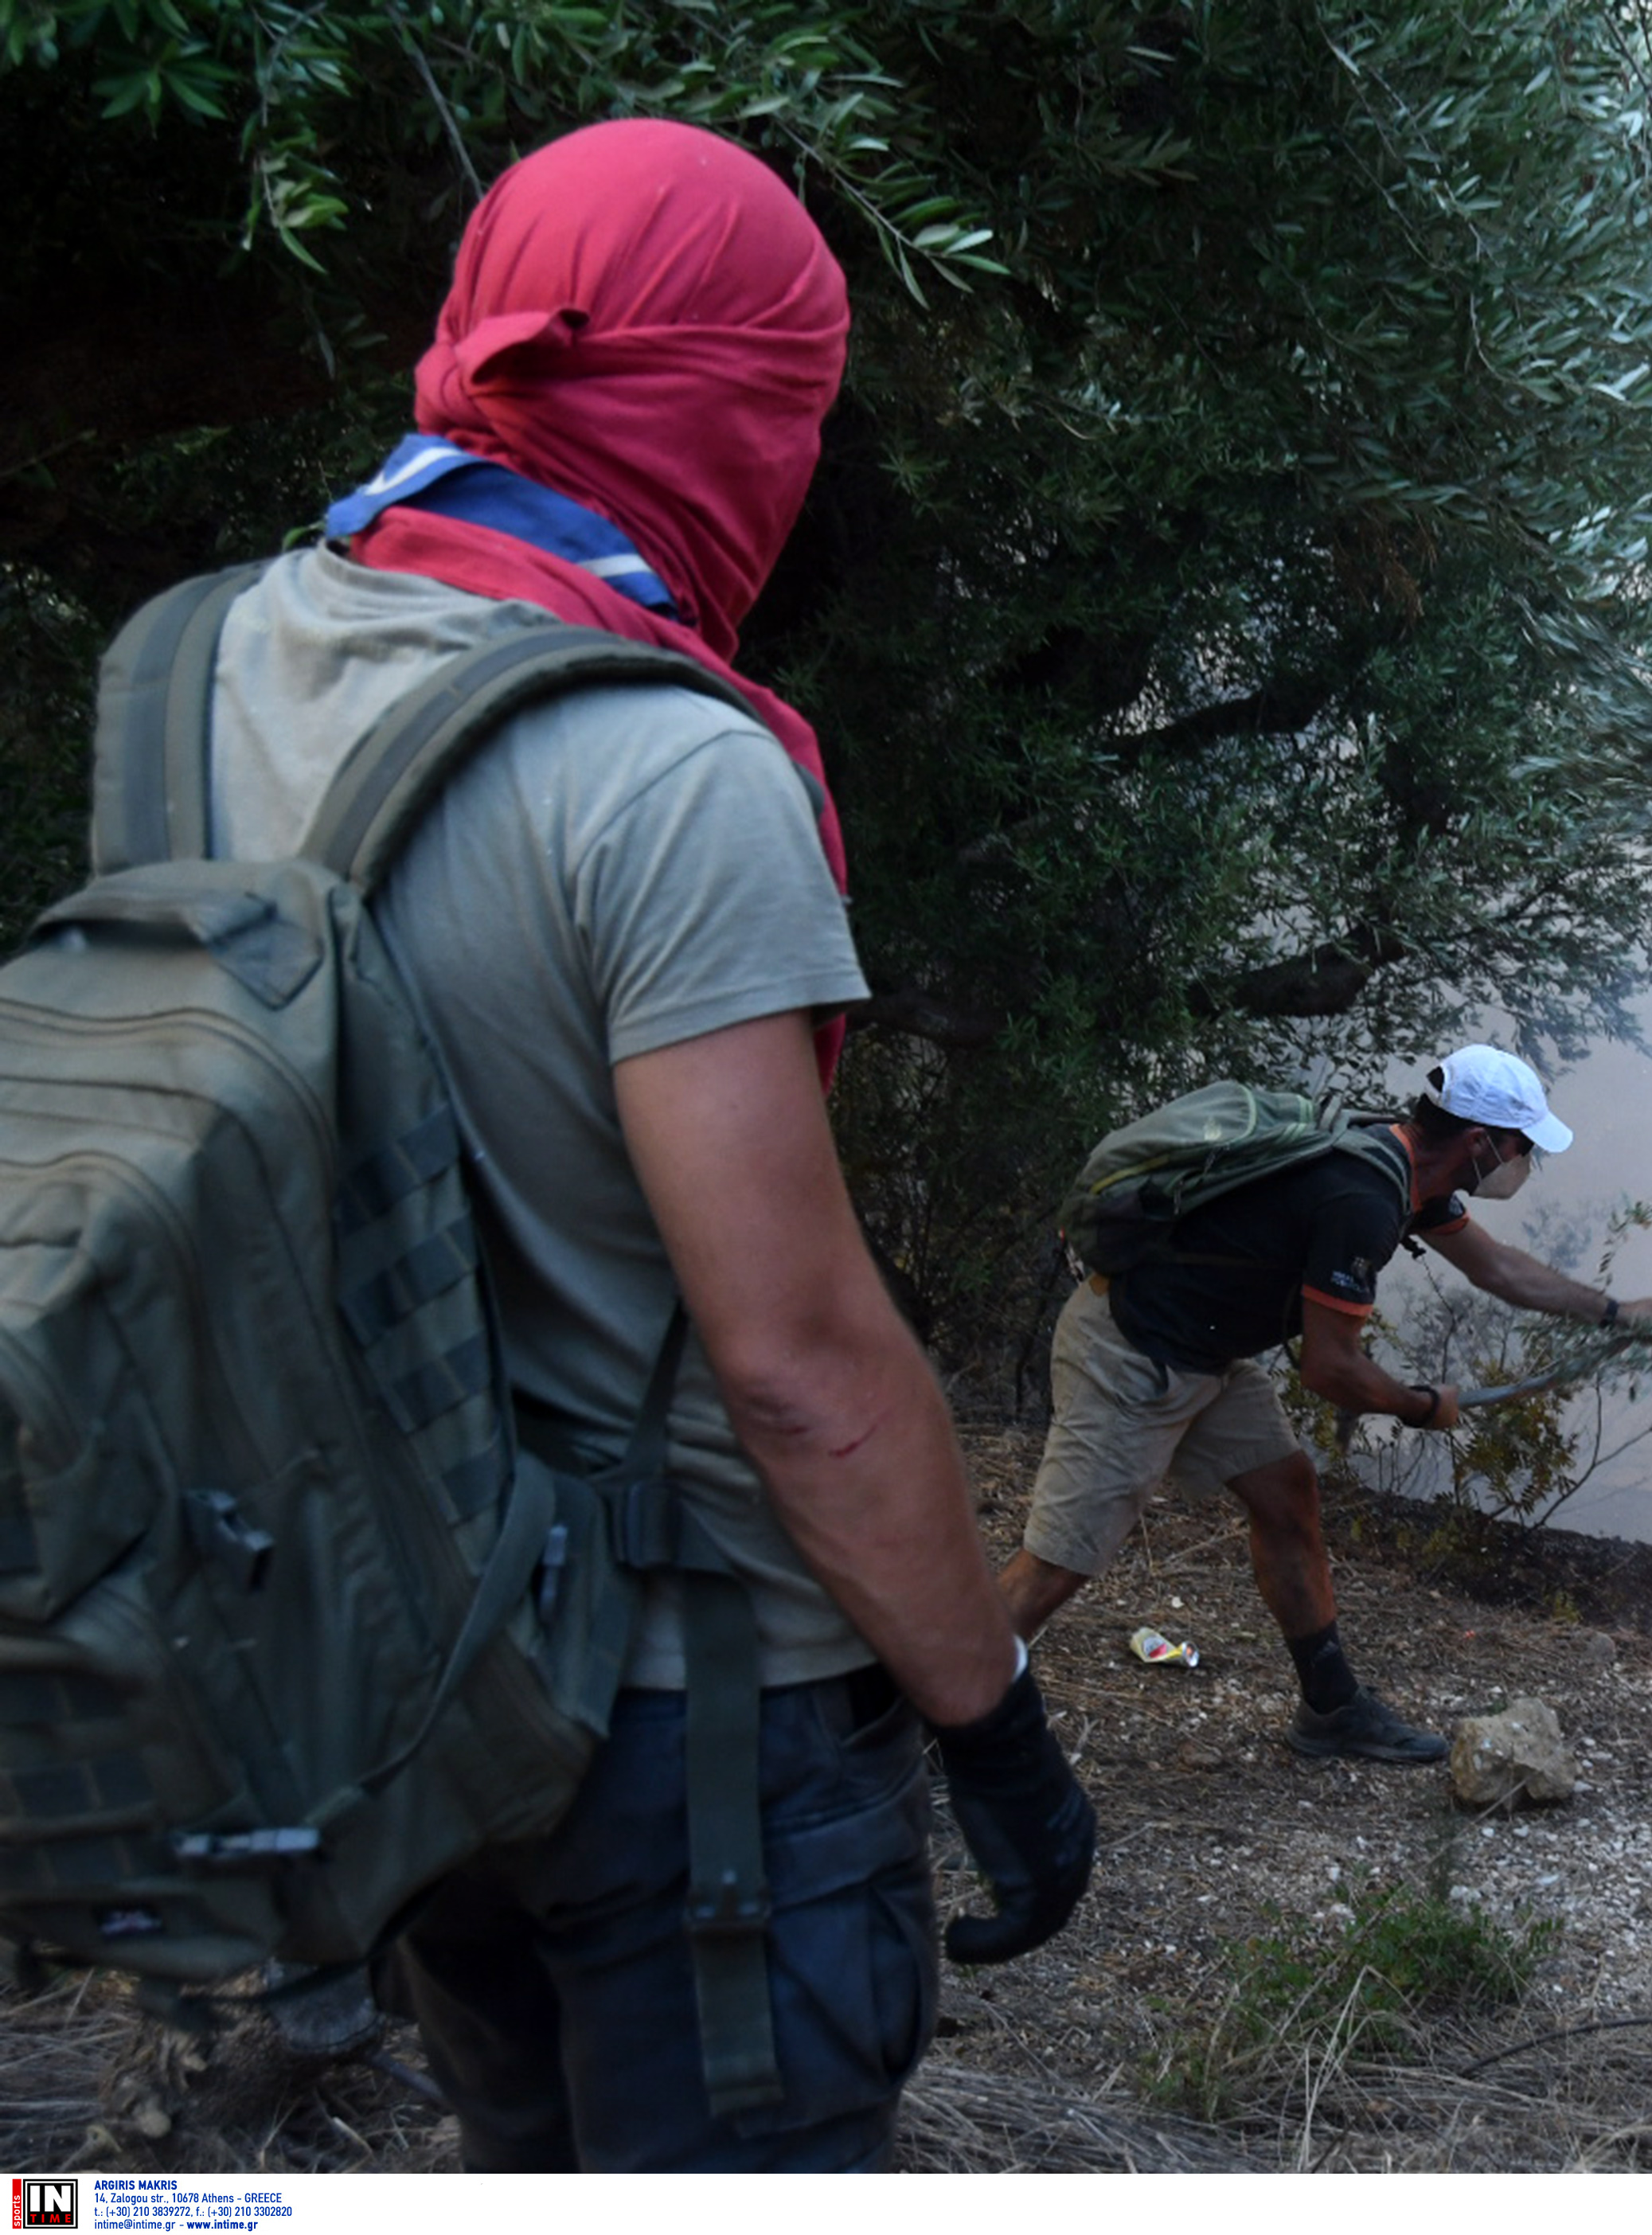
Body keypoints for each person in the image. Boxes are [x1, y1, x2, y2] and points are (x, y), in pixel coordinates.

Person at [194, 119, 1090, 2170]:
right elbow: (795, 1369)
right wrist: (995, 1729)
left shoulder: (209, 662)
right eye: (791, 408)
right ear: (727, 409)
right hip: (690, 1729)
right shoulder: (668, 774)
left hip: (378, 1662)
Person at [998, 1046, 1652, 1761]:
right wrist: (1417, 1405)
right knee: (1060, 1562)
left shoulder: (1407, 1172)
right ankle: (932, 1708)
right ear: (1478, 1143)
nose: (1523, 1160)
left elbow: (1498, 1269)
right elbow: (1329, 1366)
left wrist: (1615, 1312)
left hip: (1204, 1353)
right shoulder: (1363, 1199)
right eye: (1520, 1145)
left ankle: (1331, 1707)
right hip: (1132, 1355)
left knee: (1287, 1494)